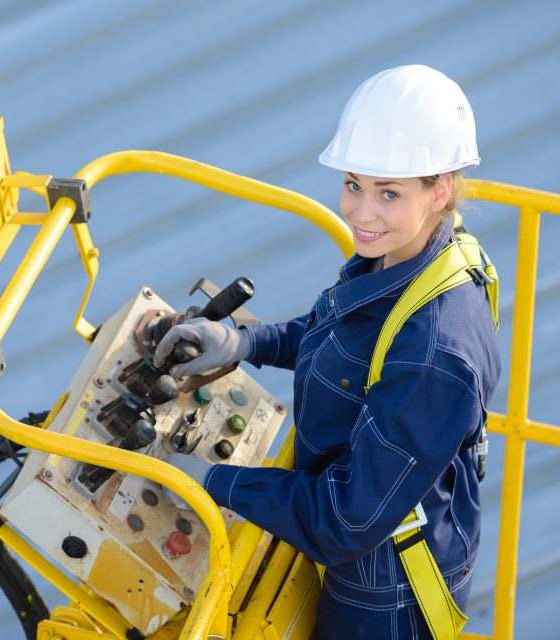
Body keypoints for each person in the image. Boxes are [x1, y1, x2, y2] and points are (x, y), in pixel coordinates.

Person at [154, 65, 500, 640]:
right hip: (365, 541)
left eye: (389, 193)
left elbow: (346, 521)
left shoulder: (436, 352)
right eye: (353, 184)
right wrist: (245, 341)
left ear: (440, 189)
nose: (361, 213)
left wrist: (208, 480)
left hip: (385, 596)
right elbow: (350, 345)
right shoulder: (411, 253)